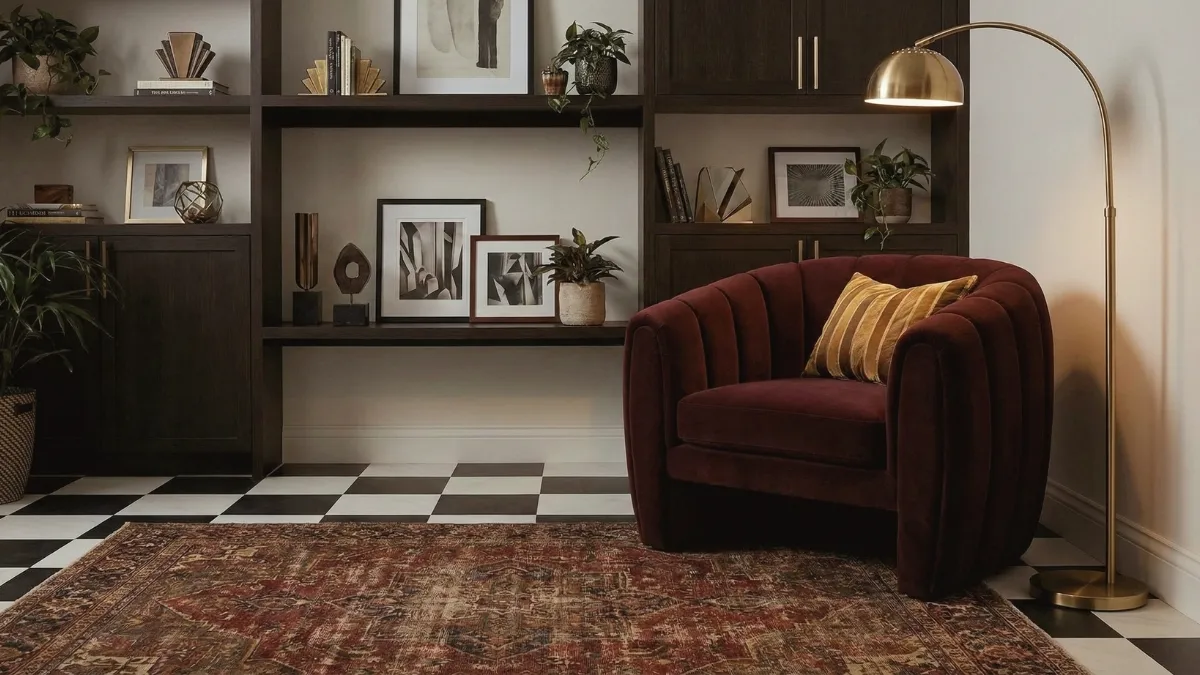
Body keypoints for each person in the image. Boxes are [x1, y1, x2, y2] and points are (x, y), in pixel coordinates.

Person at [477, 0, 503, 69]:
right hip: (490, 5)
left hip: (488, 5)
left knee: (484, 34)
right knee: (489, 35)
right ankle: (490, 62)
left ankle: (485, 62)